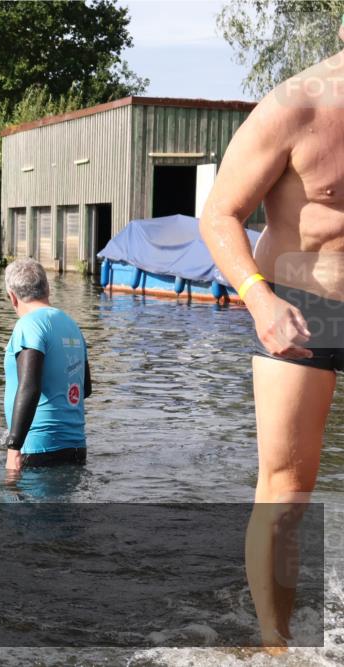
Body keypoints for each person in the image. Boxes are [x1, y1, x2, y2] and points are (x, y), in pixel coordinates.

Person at [199, 18, 344, 653]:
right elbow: (219, 213)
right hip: (303, 304)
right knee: (286, 483)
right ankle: (274, 644)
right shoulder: (297, 103)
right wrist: (257, 298)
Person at [0, 259, 91, 481]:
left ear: (12, 296)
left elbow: (29, 387)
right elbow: (85, 388)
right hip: (76, 447)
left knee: (22, 514)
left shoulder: (28, 325)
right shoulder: (71, 325)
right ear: (47, 288)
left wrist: (13, 447)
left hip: (38, 448)